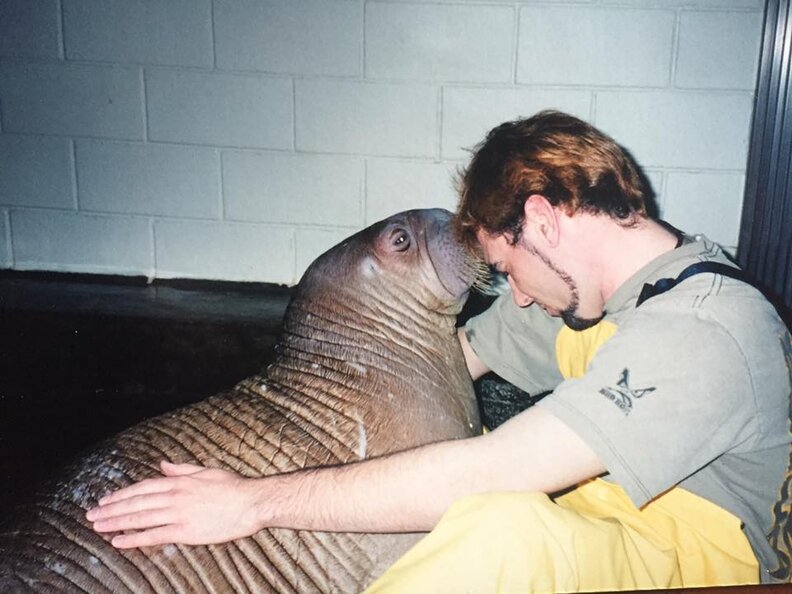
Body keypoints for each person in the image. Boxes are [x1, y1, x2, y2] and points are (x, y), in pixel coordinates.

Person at [86, 111, 792, 591]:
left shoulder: (706, 331)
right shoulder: (601, 297)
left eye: (508, 272)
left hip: (699, 562)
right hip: (606, 512)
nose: (513, 297)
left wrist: (255, 503)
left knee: (497, 525)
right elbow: (431, 360)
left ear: (542, 222)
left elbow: (497, 472)